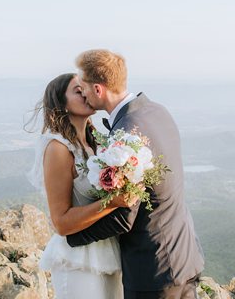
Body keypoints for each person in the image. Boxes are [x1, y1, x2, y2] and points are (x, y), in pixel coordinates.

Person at [66, 49, 205, 299]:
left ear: (98, 89)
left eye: (83, 87)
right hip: (184, 254)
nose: (83, 94)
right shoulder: (156, 111)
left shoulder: (127, 135)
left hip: (153, 268)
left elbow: (123, 216)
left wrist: (70, 237)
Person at [26, 73, 134, 298]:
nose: (86, 92)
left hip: (106, 251)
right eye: (78, 90)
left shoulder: (95, 142)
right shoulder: (58, 148)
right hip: (77, 260)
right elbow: (61, 223)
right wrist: (112, 203)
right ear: (61, 103)